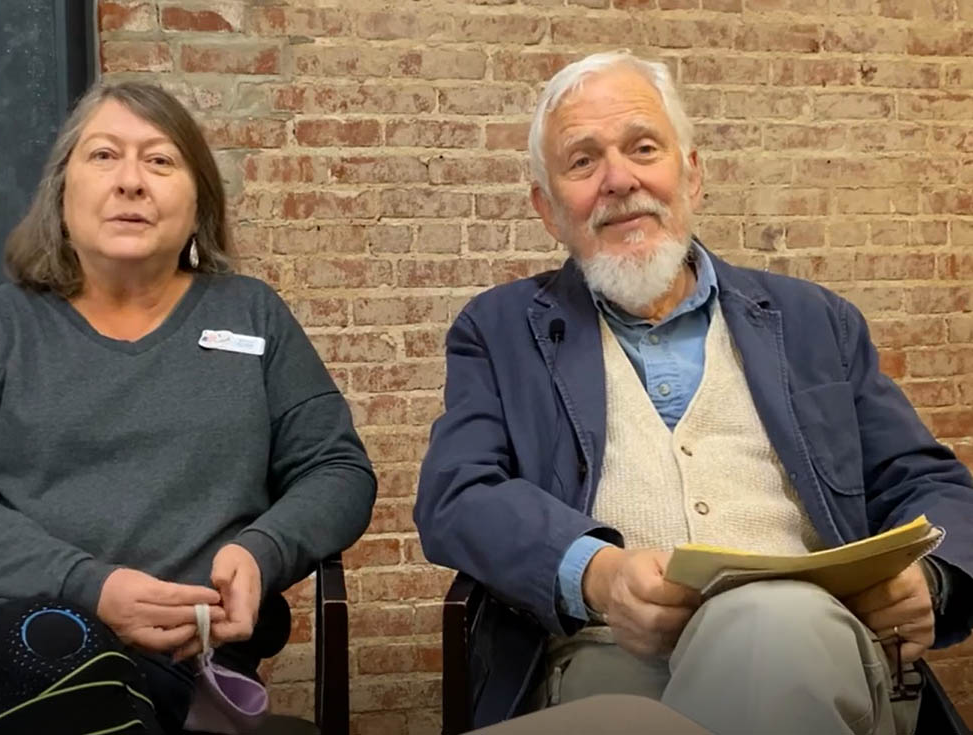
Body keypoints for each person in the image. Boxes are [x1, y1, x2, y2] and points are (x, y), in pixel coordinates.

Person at [414, 50, 973, 735]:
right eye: (583, 162)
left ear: (692, 172)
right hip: (602, 665)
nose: (619, 180)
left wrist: (933, 582)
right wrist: (598, 572)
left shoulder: (815, 321)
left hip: (819, 649)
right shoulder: (496, 331)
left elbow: (927, 481)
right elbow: (457, 494)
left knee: (774, 623)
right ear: (548, 207)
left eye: (643, 148)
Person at [0, 81, 376, 735]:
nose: (131, 181)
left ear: (199, 204)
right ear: (62, 194)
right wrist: (89, 587)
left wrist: (261, 550)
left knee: (103, 681)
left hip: (175, 656)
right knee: (55, 641)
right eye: (104, 155)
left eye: (160, 160)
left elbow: (338, 470)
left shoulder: (251, 316)